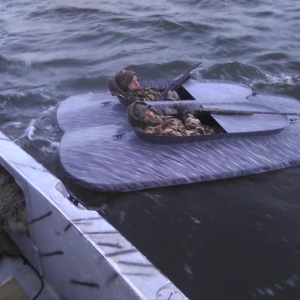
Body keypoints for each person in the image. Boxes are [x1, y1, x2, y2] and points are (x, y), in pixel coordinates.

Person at [127, 101, 216, 136]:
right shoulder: (161, 131)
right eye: (144, 116)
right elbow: (198, 133)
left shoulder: (158, 121)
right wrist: (187, 115)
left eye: (149, 111)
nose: (150, 115)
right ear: (140, 121)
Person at [107, 69, 179, 102]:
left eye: (136, 80)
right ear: (126, 86)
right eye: (132, 82)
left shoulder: (140, 89)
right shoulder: (135, 97)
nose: (137, 83)